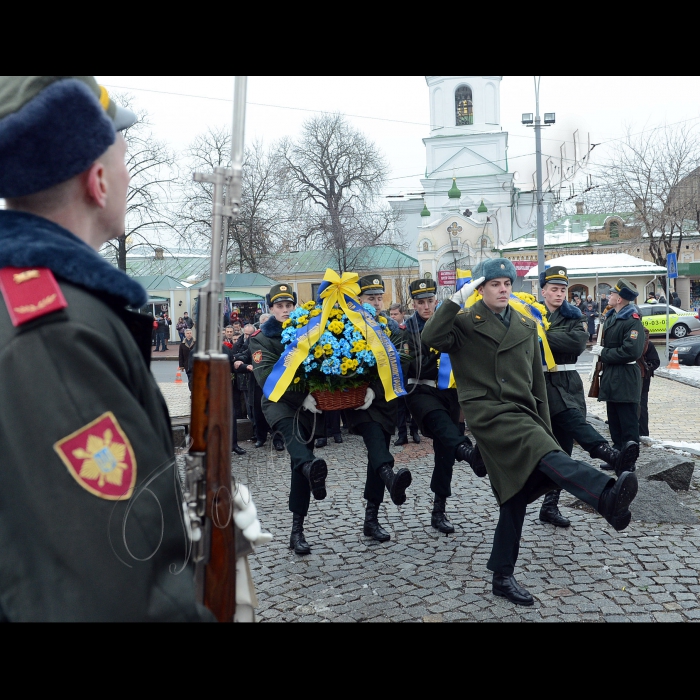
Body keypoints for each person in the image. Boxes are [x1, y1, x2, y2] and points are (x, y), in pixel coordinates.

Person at [0, 75, 214, 621]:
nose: (124, 171)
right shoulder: (55, 332)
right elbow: (118, 577)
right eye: (123, 155)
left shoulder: (38, 301)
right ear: (98, 181)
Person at [422, 258, 639, 606]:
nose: (503, 289)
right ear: (480, 289)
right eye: (495, 284)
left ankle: (501, 576)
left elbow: (536, 382)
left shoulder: (525, 323)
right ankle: (605, 495)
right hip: (491, 414)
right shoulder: (465, 322)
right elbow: (430, 335)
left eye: (507, 283)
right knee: (548, 456)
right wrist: (454, 300)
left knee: (515, 497)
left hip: (524, 412)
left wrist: (545, 424)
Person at [537, 266, 639, 529]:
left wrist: (542, 336)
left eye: (563, 290)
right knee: (569, 423)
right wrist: (546, 336)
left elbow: (577, 343)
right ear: (543, 291)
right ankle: (607, 452)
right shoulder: (530, 315)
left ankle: (550, 506)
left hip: (568, 383)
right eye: (554, 289)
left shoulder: (574, 315)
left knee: (563, 450)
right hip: (541, 384)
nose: (559, 294)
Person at [249, 284, 329, 555]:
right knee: (296, 443)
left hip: (309, 407)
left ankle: (297, 532)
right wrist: (302, 397)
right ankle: (311, 469)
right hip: (279, 404)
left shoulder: (307, 329)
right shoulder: (261, 339)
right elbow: (265, 378)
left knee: (301, 463)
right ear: (270, 308)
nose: (284, 310)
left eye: (288, 305)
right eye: (279, 306)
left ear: (294, 306)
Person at [401, 277, 486, 533]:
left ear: (436, 301)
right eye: (420, 302)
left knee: (445, 454)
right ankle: (470, 453)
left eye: (430, 301)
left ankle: (439, 510)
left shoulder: (451, 322)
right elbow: (412, 365)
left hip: (450, 393)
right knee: (439, 423)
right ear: (413, 304)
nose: (426, 307)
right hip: (422, 391)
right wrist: (436, 361)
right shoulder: (406, 331)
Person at [341, 273, 413, 542]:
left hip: (384, 400)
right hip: (360, 402)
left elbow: (403, 361)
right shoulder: (349, 325)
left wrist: (378, 389)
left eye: (379, 297)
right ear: (359, 299)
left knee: (376, 454)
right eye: (370, 298)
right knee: (376, 444)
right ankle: (391, 476)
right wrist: (363, 387)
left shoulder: (390, 327)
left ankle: (371, 519)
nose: (376, 302)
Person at [592, 278, 646, 459]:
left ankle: (629, 461)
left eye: (612, 293)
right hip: (612, 375)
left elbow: (632, 351)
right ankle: (617, 457)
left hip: (625, 376)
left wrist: (604, 352)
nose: (609, 296)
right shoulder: (612, 317)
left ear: (620, 299)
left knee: (628, 423)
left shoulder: (632, 321)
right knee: (614, 421)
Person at [222, 325, 246, 455]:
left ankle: (233, 444)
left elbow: (233, 366)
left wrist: (246, 367)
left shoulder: (225, 349)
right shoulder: (197, 351)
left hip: (226, 389)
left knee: (231, 418)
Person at [638, 327, 660, 437]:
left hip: (643, 379)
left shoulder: (648, 344)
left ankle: (643, 433)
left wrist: (647, 367)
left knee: (642, 406)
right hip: (631, 378)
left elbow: (655, 361)